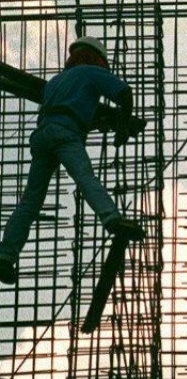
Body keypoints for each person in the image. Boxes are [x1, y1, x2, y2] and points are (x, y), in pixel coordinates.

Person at [0, 36, 145, 285]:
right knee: (85, 177)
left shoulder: (57, 81)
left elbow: (74, 106)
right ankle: (112, 219)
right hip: (66, 133)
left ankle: (5, 256)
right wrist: (122, 127)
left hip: (42, 135)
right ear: (96, 59)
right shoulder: (91, 72)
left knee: (30, 201)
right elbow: (124, 93)